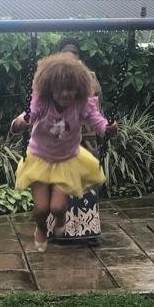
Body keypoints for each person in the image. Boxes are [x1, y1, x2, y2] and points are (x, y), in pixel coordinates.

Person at [10, 53, 118, 252]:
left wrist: (109, 129)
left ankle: (60, 218)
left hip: (67, 159)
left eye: (71, 89)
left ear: (78, 88)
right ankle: (41, 227)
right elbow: (28, 114)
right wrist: (19, 123)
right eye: (60, 90)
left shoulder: (82, 104)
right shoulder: (42, 102)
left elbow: (98, 121)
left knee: (58, 207)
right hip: (39, 157)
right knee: (41, 209)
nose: (66, 94)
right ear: (50, 88)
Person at [49, 38, 106, 244]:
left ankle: (86, 232)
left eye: (73, 54)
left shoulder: (89, 77)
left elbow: (94, 106)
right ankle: (60, 231)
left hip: (86, 142)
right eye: (66, 54)